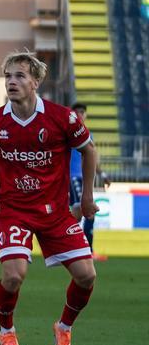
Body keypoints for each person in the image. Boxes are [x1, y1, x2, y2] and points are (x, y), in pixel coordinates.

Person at [0, 50, 98, 345]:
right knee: (14, 275)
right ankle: (6, 331)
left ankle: (64, 327)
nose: (12, 82)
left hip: (55, 213)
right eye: (8, 76)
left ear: (36, 81)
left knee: (87, 276)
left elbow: (89, 151)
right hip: (13, 211)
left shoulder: (62, 118)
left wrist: (87, 197)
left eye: (20, 76)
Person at [67, 103, 106, 261]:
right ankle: (73, 249)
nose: (81, 115)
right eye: (77, 112)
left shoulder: (87, 134)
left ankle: (84, 250)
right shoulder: (67, 132)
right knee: (80, 212)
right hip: (73, 177)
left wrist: (101, 173)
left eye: (83, 112)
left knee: (85, 214)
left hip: (84, 178)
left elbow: (91, 156)